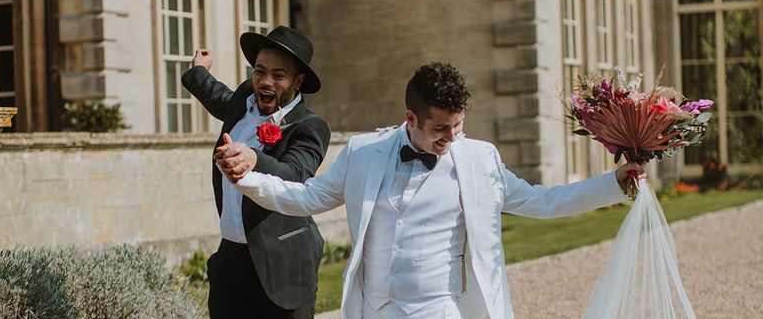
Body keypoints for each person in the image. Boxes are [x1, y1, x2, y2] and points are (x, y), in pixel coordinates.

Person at [216, 62, 642, 319]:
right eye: (441, 128)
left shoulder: (479, 160)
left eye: (458, 125)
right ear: (411, 118)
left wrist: (612, 184)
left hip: (442, 309)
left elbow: (540, 202)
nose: (452, 137)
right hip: (376, 310)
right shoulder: (364, 152)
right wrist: (247, 179)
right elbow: (305, 198)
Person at [182, 25, 331, 319]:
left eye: (278, 75)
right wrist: (200, 71)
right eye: (259, 71)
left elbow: (295, 173)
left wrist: (254, 158)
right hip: (231, 262)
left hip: (284, 263)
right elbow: (218, 97)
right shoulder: (243, 100)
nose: (265, 81)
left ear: (297, 81)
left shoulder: (310, 126)